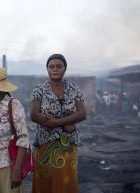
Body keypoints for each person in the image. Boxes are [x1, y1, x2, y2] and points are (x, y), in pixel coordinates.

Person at [30, 54, 86, 193]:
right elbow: (34, 114)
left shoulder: (74, 89)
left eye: (59, 66)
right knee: (45, 178)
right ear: (47, 69)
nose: (55, 69)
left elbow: (82, 113)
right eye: (51, 66)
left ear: (65, 69)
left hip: (68, 143)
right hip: (45, 142)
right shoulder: (40, 90)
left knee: (66, 179)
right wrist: (66, 122)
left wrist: (56, 121)